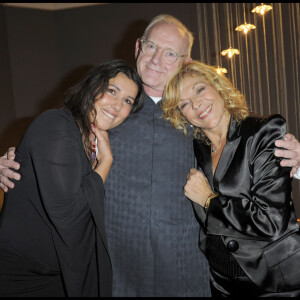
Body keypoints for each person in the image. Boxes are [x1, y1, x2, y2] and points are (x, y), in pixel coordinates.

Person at [0, 14, 300, 297]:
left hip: (188, 268)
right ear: (138, 47)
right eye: (152, 46)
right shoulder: (109, 108)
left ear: (186, 61)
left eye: (170, 53)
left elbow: (243, 147)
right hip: (117, 269)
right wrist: (13, 165)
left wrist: (295, 160)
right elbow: (58, 151)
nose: (157, 58)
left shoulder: (197, 113)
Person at [0, 59, 144, 297]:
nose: (118, 106)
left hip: (57, 275)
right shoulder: (56, 125)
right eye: (112, 91)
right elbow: (68, 213)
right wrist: (106, 164)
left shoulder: (95, 141)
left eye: (127, 101)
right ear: (92, 87)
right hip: (21, 277)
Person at [162, 60, 300, 296]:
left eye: (200, 89)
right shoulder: (195, 149)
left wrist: (208, 200)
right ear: (181, 115)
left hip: (275, 281)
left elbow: (272, 221)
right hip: (220, 282)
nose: (196, 105)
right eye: (184, 104)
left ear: (217, 86)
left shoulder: (262, 132)